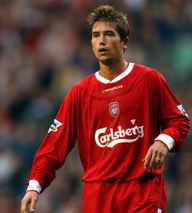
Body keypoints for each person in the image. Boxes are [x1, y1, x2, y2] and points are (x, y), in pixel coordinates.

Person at [20, 5, 191, 213]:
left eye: (109, 34)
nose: (101, 41)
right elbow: (53, 146)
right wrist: (34, 185)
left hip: (142, 193)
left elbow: (180, 120)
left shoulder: (148, 80)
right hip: (98, 198)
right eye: (96, 35)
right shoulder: (79, 93)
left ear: (124, 42)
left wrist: (163, 141)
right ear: (91, 44)